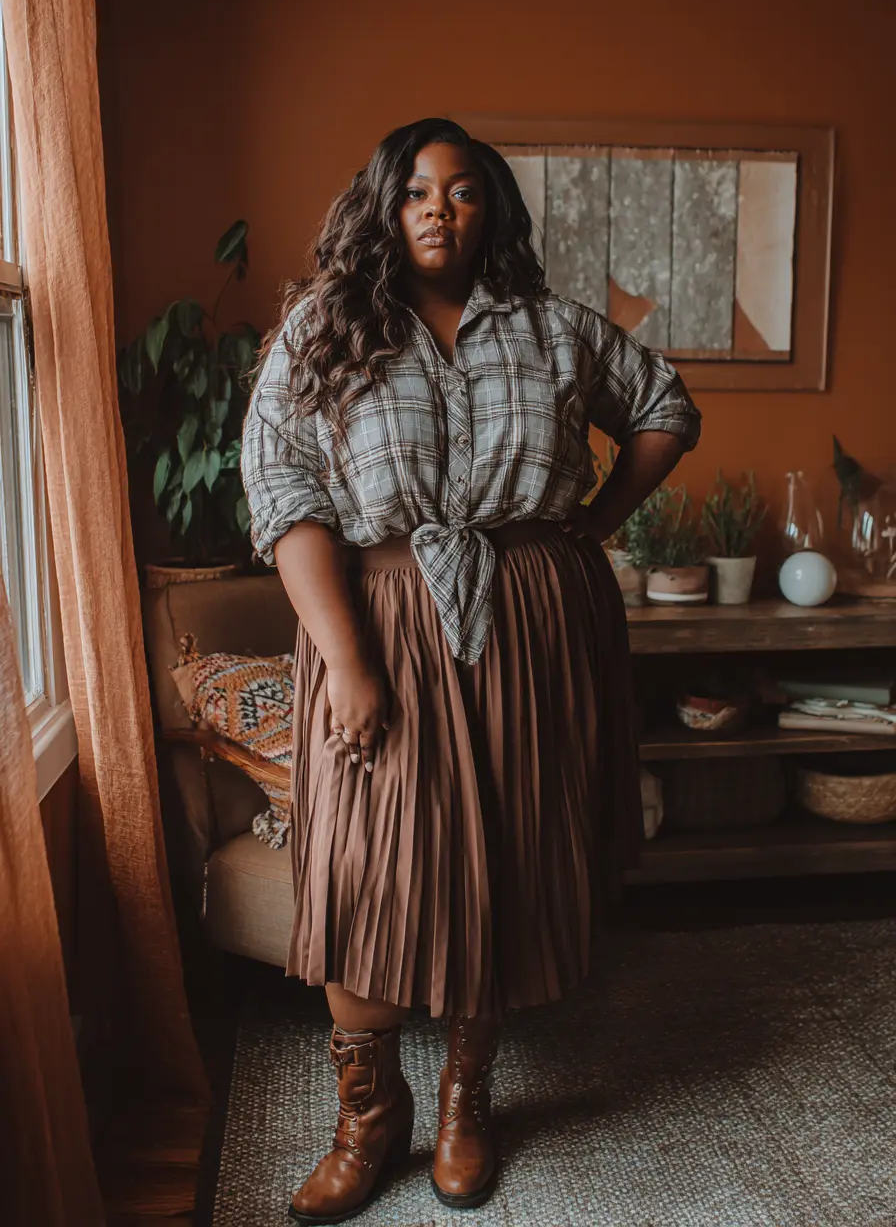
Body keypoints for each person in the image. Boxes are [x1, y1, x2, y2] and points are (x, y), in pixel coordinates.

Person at [240, 117, 701, 1223]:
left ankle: (463, 1102)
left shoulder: (553, 329)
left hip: (530, 617)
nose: (437, 208)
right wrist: (346, 661)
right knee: (360, 872)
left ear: (490, 207)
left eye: (460, 190)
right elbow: (285, 494)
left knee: (498, 852)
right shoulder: (320, 329)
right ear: (384, 209)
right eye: (413, 191)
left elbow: (663, 409)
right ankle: (369, 1114)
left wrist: (594, 520)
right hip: (379, 619)